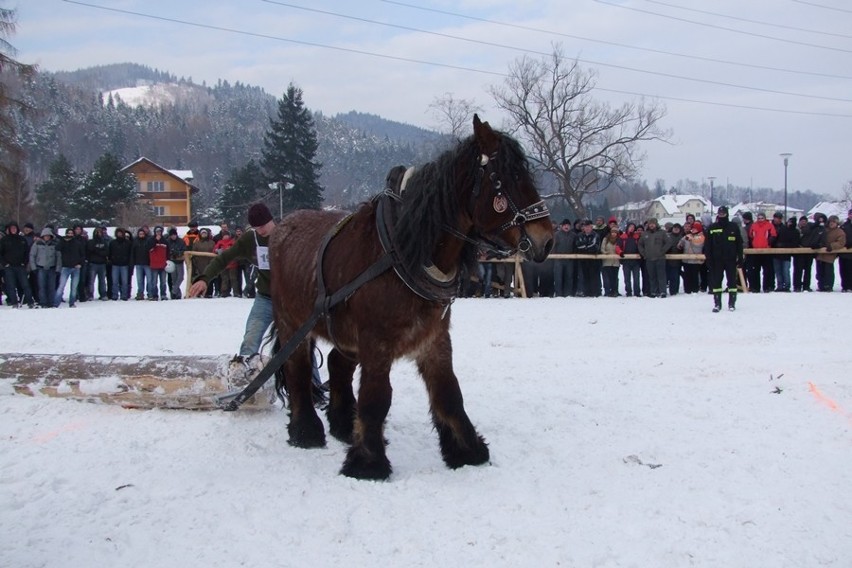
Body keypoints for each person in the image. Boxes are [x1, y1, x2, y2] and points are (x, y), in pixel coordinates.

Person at [188, 203, 324, 394]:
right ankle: (242, 384)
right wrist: (204, 278)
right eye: (256, 227)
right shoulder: (250, 239)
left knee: (301, 343)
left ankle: (314, 385)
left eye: (263, 226)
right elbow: (224, 258)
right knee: (251, 338)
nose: (260, 231)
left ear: (272, 221)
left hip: (291, 302)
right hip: (266, 298)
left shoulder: (290, 236)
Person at [704, 206, 743, 312]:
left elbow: (739, 244)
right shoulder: (712, 227)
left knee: (732, 282)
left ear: (727, 214)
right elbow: (708, 245)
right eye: (720, 213)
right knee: (716, 282)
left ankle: (732, 303)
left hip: (730, 260)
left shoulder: (733, 227)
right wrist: (709, 259)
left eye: (723, 213)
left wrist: (740, 257)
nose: (721, 214)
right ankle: (717, 304)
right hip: (717, 260)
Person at [1, 222, 35, 308]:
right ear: (9, 229)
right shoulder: (4, 240)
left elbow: (27, 253)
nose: (13, 230)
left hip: (20, 266)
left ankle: (30, 302)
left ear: (17, 229)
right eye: (11, 228)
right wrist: (5, 264)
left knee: (25, 285)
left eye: (15, 228)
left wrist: (24, 262)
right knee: (11, 286)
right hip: (9, 267)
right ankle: (14, 303)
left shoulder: (22, 239)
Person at [54, 227, 86, 308]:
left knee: (74, 287)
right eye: (68, 233)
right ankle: (56, 303)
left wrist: (80, 264)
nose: (70, 235)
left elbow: (82, 255)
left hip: (76, 267)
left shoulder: (77, 243)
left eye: (71, 233)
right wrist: (63, 241)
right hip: (65, 267)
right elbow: (57, 248)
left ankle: (72, 303)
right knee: (61, 286)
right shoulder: (63, 242)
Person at [638, 218, 669, 298]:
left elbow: (668, 242)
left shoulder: (662, 233)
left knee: (661, 276)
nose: (651, 225)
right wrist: (644, 253)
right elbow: (640, 244)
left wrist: (662, 251)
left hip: (660, 258)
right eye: (650, 224)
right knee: (652, 276)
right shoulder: (645, 234)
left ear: (656, 224)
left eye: (653, 223)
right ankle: (653, 292)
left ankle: (662, 291)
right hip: (649, 258)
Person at [29, 227, 60, 308]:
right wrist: (33, 268)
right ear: (43, 236)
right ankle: (43, 302)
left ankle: (51, 302)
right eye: (45, 236)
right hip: (40, 268)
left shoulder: (55, 244)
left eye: (48, 236)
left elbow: (58, 257)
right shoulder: (37, 244)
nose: (47, 237)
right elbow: (32, 256)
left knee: (51, 287)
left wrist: (58, 269)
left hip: (52, 268)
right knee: (42, 287)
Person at [747, 212, 777, 292]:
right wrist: (753, 244)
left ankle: (766, 287)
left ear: (765, 218)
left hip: (766, 251)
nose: (760, 220)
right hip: (756, 251)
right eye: (759, 218)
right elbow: (750, 236)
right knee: (755, 270)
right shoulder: (754, 225)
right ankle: (755, 287)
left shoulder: (769, 225)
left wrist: (769, 243)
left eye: (762, 218)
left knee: (767, 270)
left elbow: (773, 235)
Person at [815, 215, 846, 292]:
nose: (832, 223)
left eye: (834, 222)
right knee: (819, 272)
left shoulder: (840, 232)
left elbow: (841, 243)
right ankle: (821, 285)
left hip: (830, 254)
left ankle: (828, 285)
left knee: (828, 272)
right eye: (831, 222)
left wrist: (831, 246)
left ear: (837, 223)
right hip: (820, 253)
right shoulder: (823, 229)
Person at [770, 212, 797, 292]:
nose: (777, 219)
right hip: (775, 253)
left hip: (785, 253)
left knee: (785, 270)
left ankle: (787, 285)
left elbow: (792, 241)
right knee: (777, 271)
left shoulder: (785, 229)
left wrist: (782, 245)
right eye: (776, 217)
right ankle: (780, 285)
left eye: (779, 218)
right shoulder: (771, 227)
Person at [574, 219, 600, 297]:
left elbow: (595, 246)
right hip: (583, 259)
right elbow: (578, 246)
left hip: (593, 259)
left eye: (589, 226)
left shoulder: (595, 235)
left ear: (591, 227)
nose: (587, 228)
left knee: (593, 276)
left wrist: (585, 246)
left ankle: (594, 292)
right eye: (585, 227)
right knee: (585, 276)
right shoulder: (580, 235)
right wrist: (586, 246)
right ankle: (586, 292)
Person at [679, 221, 705, 294]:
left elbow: (698, 244)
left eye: (695, 229)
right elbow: (681, 242)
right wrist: (680, 245)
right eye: (692, 228)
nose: (693, 230)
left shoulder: (702, 237)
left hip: (695, 260)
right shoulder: (687, 236)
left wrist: (691, 240)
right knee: (687, 276)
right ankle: (687, 289)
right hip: (686, 260)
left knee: (694, 275)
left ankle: (695, 289)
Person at [552, 219, 576, 297]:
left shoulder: (573, 235)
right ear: (562, 226)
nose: (566, 227)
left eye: (568, 225)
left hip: (569, 259)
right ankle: (558, 293)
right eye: (565, 225)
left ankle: (568, 293)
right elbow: (553, 247)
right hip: (558, 260)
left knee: (569, 277)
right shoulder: (556, 235)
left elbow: (575, 247)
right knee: (558, 277)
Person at [86, 226, 110, 301]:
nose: (98, 233)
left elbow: (106, 252)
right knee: (91, 281)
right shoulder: (91, 242)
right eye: (97, 232)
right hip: (93, 263)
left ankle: (103, 294)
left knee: (102, 281)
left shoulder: (104, 242)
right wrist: (98, 251)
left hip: (102, 263)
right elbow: (89, 251)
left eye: (100, 232)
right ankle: (90, 294)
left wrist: (97, 251)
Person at [213, 230, 239, 297]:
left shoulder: (232, 242)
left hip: (232, 264)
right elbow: (215, 250)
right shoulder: (219, 242)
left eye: (227, 235)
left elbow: (236, 250)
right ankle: (224, 292)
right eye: (224, 235)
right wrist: (218, 251)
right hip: (223, 264)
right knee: (225, 279)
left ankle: (236, 292)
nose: (226, 237)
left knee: (233, 278)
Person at [618, 222, 641, 297]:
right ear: (627, 227)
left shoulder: (637, 237)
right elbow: (617, 247)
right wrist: (620, 252)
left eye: (633, 227)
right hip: (626, 260)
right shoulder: (623, 237)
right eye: (630, 227)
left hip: (636, 260)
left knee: (636, 278)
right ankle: (628, 291)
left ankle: (637, 292)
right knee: (627, 278)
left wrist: (640, 252)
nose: (632, 228)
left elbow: (641, 246)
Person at [108, 228, 133, 301]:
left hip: (124, 264)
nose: (119, 234)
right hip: (115, 264)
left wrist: (128, 261)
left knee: (124, 281)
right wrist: (111, 260)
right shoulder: (112, 243)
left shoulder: (128, 243)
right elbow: (109, 253)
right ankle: (115, 295)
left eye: (121, 233)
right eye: (118, 233)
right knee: (115, 281)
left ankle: (124, 295)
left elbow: (130, 253)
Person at [191, 228, 215, 297]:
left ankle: (209, 293)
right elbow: (193, 253)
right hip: (199, 263)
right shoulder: (196, 243)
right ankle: (199, 292)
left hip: (209, 262)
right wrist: (195, 262)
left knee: (209, 277)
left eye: (205, 233)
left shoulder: (212, 243)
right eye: (202, 233)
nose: (204, 234)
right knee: (199, 278)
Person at [794, 216, 815, 292]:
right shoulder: (796, 229)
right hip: (798, 252)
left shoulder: (810, 229)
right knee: (798, 270)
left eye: (805, 221)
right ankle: (797, 286)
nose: (803, 222)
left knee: (808, 270)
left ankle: (806, 286)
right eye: (802, 221)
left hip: (808, 252)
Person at [147, 226, 169, 300]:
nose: (158, 233)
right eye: (157, 231)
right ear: (155, 232)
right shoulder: (150, 240)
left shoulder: (165, 241)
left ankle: (163, 294)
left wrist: (167, 261)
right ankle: (155, 295)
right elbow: (149, 248)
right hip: (154, 264)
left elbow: (168, 252)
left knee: (163, 282)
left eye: (160, 231)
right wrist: (156, 240)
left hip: (163, 264)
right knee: (154, 282)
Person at [599, 226, 620, 297]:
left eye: (615, 232)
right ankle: (608, 291)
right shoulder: (606, 239)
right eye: (612, 232)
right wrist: (605, 253)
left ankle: (615, 291)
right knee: (607, 277)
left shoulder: (619, 240)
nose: (614, 234)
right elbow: (602, 248)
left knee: (615, 277)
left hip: (615, 261)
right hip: (607, 261)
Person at [131, 228, 151, 300]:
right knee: (140, 280)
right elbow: (133, 252)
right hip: (138, 263)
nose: (141, 235)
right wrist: (133, 262)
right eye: (140, 234)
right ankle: (140, 293)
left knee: (149, 280)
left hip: (147, 263)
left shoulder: (148, 241)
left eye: (142, 234)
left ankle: (150, 293)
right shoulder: (135, 241)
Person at [166, 228, 187, 299]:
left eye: (174, 235)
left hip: (179, 261)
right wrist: (171, 253)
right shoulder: (168, 242)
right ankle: (177, 294)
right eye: (172, 235)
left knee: (180, 277)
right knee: (174, 279)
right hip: (171, 262)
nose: (173, 236)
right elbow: (166, 251)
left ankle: (174, 290)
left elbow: (184, 250)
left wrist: (178, 253)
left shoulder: (181, 241)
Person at [839, 209, 852, 292]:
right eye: (850, 214)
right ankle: (845, 286)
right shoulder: (844, 226)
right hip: (844, 251)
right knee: (843, 270)